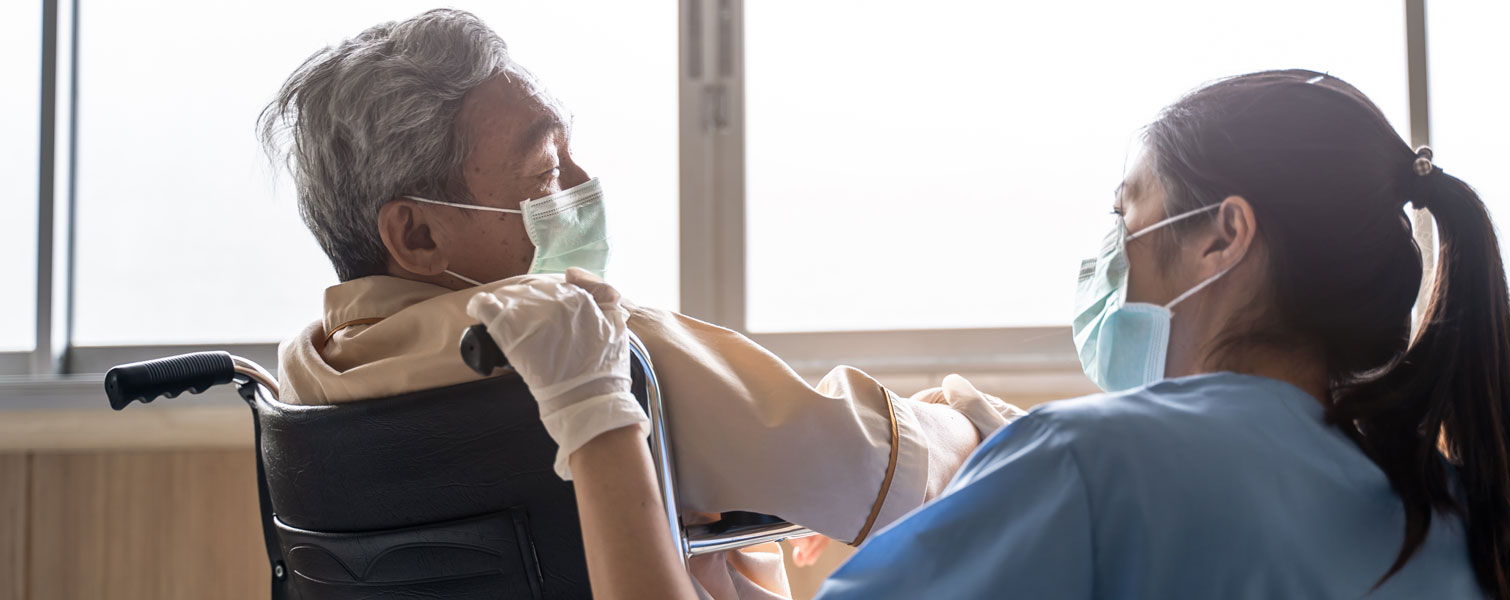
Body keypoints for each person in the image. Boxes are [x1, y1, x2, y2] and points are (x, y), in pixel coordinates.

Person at [256, 9, 1018, 599]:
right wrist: (962, 412)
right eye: (545, 169)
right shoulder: (583, 346)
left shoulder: (311, 374)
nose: (583, 183)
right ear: (417, 233)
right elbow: (881, 473)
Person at [811, 70, 1510, 598]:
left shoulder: (1085, 464)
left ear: (1224, 235)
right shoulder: (1458, 515)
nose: (1111, 254)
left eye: (1126, 215)